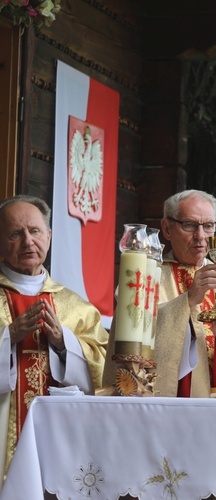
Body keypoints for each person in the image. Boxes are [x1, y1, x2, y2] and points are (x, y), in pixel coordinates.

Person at [103, 190, 216, 398]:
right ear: (167, 228)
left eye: (208, 226)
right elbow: (134, 338)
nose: (200, 236)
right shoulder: (144, 278)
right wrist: (187, 301)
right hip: (168, 401)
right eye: (189, 225)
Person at [0, 195, 107, 475]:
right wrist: (9, 336)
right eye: (15, 233)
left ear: (48, 235)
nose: (27, 241)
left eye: (35, 231)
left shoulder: (77, 307)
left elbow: (105, 372)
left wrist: (64, 344)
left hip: (59, 438)